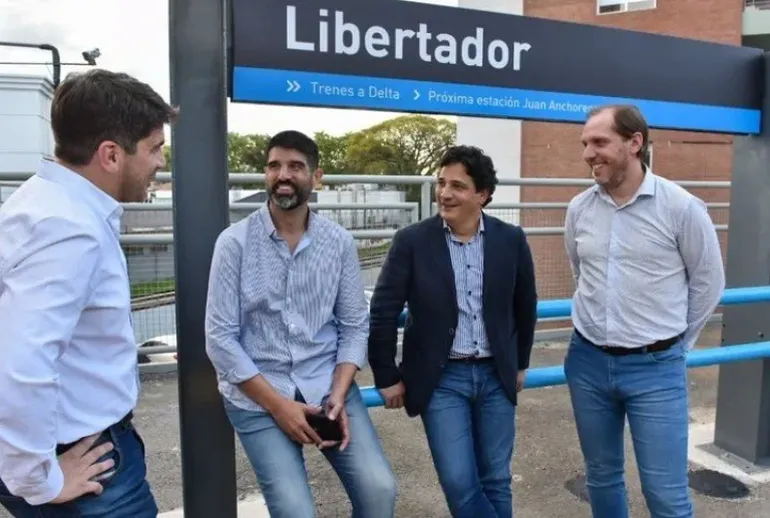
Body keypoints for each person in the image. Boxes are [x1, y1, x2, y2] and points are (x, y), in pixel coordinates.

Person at [0, 69, 176, 517]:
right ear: (111, 155)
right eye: (154, 148)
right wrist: (40, 480)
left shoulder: (40, 203)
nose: (160, 162)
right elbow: (21, 362)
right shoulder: (70, 230)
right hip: (88, 467)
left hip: (66, 447)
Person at [204, 130, 397, 518]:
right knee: (295, 512)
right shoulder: (234, 244)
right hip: (259, 397)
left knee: (380, 491)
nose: (283, 175)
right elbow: (220, 338)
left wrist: (340, 393)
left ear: (317, 177)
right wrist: (280, 407)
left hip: (325, 387)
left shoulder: (339, 243)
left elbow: (354, 325)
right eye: (274, 166)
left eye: (295, 166)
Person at [563, 104, 725, 518]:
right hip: (587, 363)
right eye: (585, 143)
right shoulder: (579, 209)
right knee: (601, 478)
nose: (588, 153)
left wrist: (673, 347)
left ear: (635, 143)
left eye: (600, 142)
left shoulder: (681, 207)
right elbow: (581, 274)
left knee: (666, 496)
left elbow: (709, 283)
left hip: (657, 369)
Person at [367, 144, 538, 518]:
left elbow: (525, 306)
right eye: (441, 183)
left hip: (496, 376)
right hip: (441, 379)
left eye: (458, 186)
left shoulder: (511, 240)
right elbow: (382, 311)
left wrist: (520, 363)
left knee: (496, 478)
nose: (444, 193)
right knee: (460, 482)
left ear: (483, 195)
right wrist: (386, 374)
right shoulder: (412, 241)